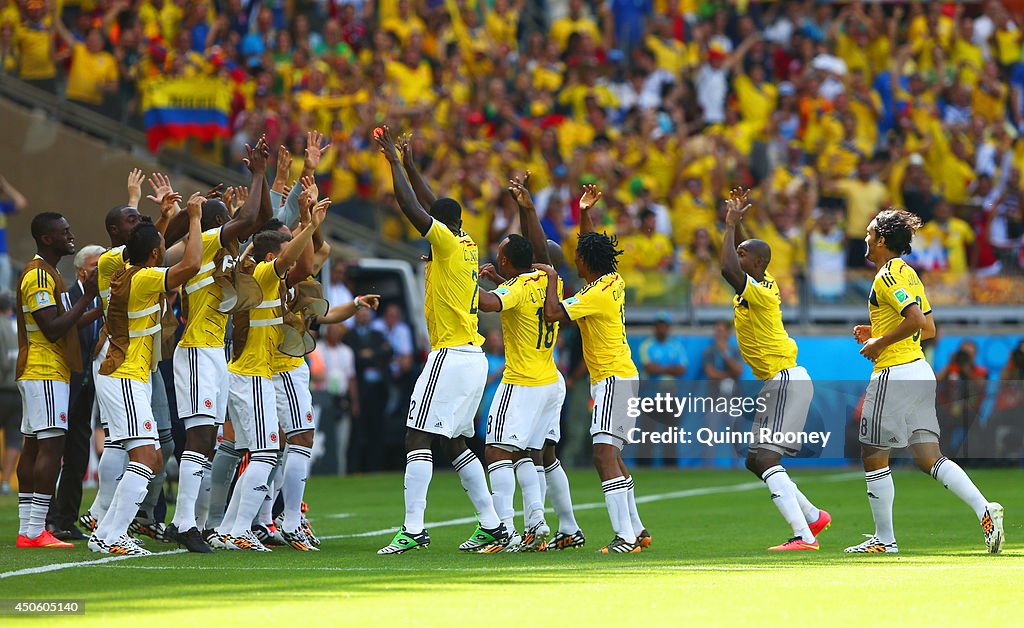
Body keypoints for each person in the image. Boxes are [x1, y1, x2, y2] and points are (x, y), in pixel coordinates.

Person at [372, 126, 506, 555]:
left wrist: (394, 163)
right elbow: (433, 205)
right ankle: (491, 523)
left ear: (442, 228)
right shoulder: (464, 239)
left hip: (450, 354)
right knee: (456, 441)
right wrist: (412, 164)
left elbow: (413, 207)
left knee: (416, 435)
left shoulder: (446, 242)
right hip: (472, 356)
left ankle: (413, 528)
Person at [846, 208, 1004, 554]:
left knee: (873, 452)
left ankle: (884, 540)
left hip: (895, 374)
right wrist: (878, 330)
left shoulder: (887, 276)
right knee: (928, 456)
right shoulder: (909, 274)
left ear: (883, 239)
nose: (866, 239)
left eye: (870, 233)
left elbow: (916, 321)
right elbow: (928, 327)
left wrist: (879, 342)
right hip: (919, 372)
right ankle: (984, 509)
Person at [167, 138, 271, 553]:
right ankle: (183, 522)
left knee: (208, 439)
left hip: (212, 350)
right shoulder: (209, 241)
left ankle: (191, 521)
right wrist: (259, 174)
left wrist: (262, 182)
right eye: (225, 215)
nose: (234, 216)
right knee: (200, 436)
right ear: (214, 223)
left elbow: (258, 221)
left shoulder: (220, 247)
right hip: (195, 349)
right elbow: (247, 220)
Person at [88, 192, 205, 556]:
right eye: (161, 245)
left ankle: (106, 532)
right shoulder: (141, 279)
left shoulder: (130, 271)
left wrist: (167, 220)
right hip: (122, 373)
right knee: (146, 458)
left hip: (130, 374)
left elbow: (150, 246)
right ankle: (110, 534)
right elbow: (192, 264)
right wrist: (196, 218)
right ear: (154, 254)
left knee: (151, 457)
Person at [535, 183, 648, 554]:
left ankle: (624, 538)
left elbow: (553, 313)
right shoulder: (612, 281)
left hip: (612, 380)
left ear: (586, 265)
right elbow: (590, 248)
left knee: (602, 455)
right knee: (612, 454)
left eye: (578, 258)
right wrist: (584, 212)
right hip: (622, 376)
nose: (575, 261)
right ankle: (636, 529)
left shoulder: (592, 295)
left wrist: (552, 279)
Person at [212, 194, 327, 552]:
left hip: (254, 373)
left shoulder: (257, 276)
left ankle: (231, 527)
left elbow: (300, 263)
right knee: (265, 453)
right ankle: (242, 527)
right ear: (269, 258)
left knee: (262, 452)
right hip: (251, 374)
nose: (287, 259)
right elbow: (292, 260)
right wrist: (308, 225)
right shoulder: (262, 275)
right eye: (282, 252)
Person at [719, 188, 830, 551]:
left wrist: (730, 225)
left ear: (756, 263)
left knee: (767, 457)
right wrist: (739, 226)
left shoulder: (761, 291)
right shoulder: (759, 282)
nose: (738, 255)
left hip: (786, 380)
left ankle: (803, 536)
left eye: (743, 253)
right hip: (780, 380)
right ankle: (813, 516)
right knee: (755, 460)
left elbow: (727, 267)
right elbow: (741, 258)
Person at [16, 212, 99, 549]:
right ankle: (37, 530)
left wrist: (97, 306)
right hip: (44, 369)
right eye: (63, 232)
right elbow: (51, 328)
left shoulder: (50, 273)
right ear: (46, 238)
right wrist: (86, 295)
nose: (70, 235)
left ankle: (28, 530)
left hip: (45, 371)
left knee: (35, 445)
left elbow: (66, 322)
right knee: (51, 446)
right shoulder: (37, 275)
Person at [45, 244, 104, 541]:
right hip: (64, 381)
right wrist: (98, 309)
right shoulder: (68, 296)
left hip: (88, 385)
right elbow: (67, 330)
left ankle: (67, 520)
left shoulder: (107, 296)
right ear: (82, 270)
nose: (101, 271)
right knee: (53, 451)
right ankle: (48, 518)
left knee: (79, 455)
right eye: (96, 266)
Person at [0, 293, 19, 495]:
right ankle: (5, 482)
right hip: (18, 390)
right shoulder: (17, 326)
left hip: (2, 388)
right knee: (14, 438)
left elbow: (3, 362)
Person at [0, 175, 27, 292]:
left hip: (2, 252)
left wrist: (5, 186)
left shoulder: (2, 206)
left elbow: (21, 202)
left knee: (4, 291)